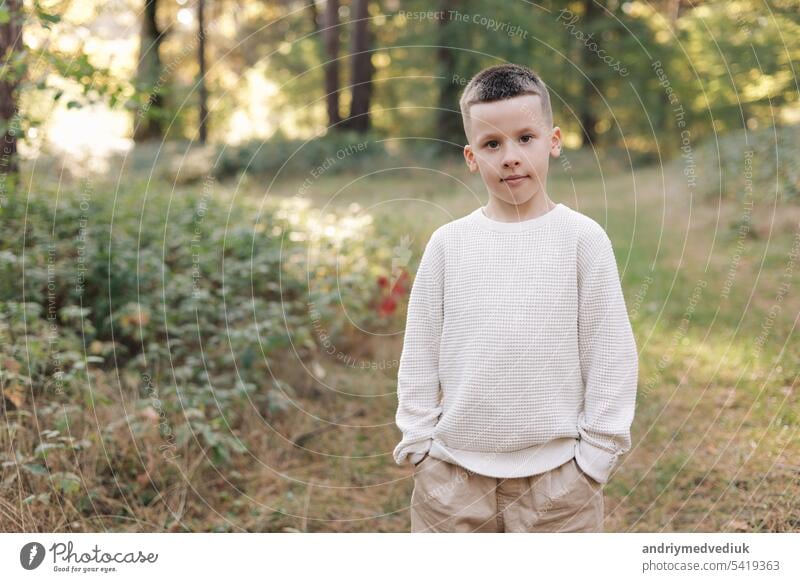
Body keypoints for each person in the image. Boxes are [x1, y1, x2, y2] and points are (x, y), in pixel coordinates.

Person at [392, 63, 639, 532]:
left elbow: (610, 352)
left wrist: (594, 461)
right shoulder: (449, 244)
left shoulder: (582, 240)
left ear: (554, 140)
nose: (510, 157)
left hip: (560, 482)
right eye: (492, 144)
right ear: (471, 156)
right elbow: (419, 351)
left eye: (525, 138)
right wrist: (420, 445)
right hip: (452, 480)